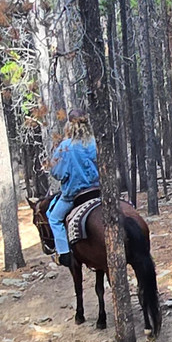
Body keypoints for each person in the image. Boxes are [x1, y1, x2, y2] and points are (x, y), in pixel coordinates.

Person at [47, 108, 100, 269]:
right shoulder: (95, 142)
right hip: (98, 191)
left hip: (74, 195)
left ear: (69, 125)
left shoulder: (65, 146)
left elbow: (56, 172)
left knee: (54, 217)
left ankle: (64, 254)